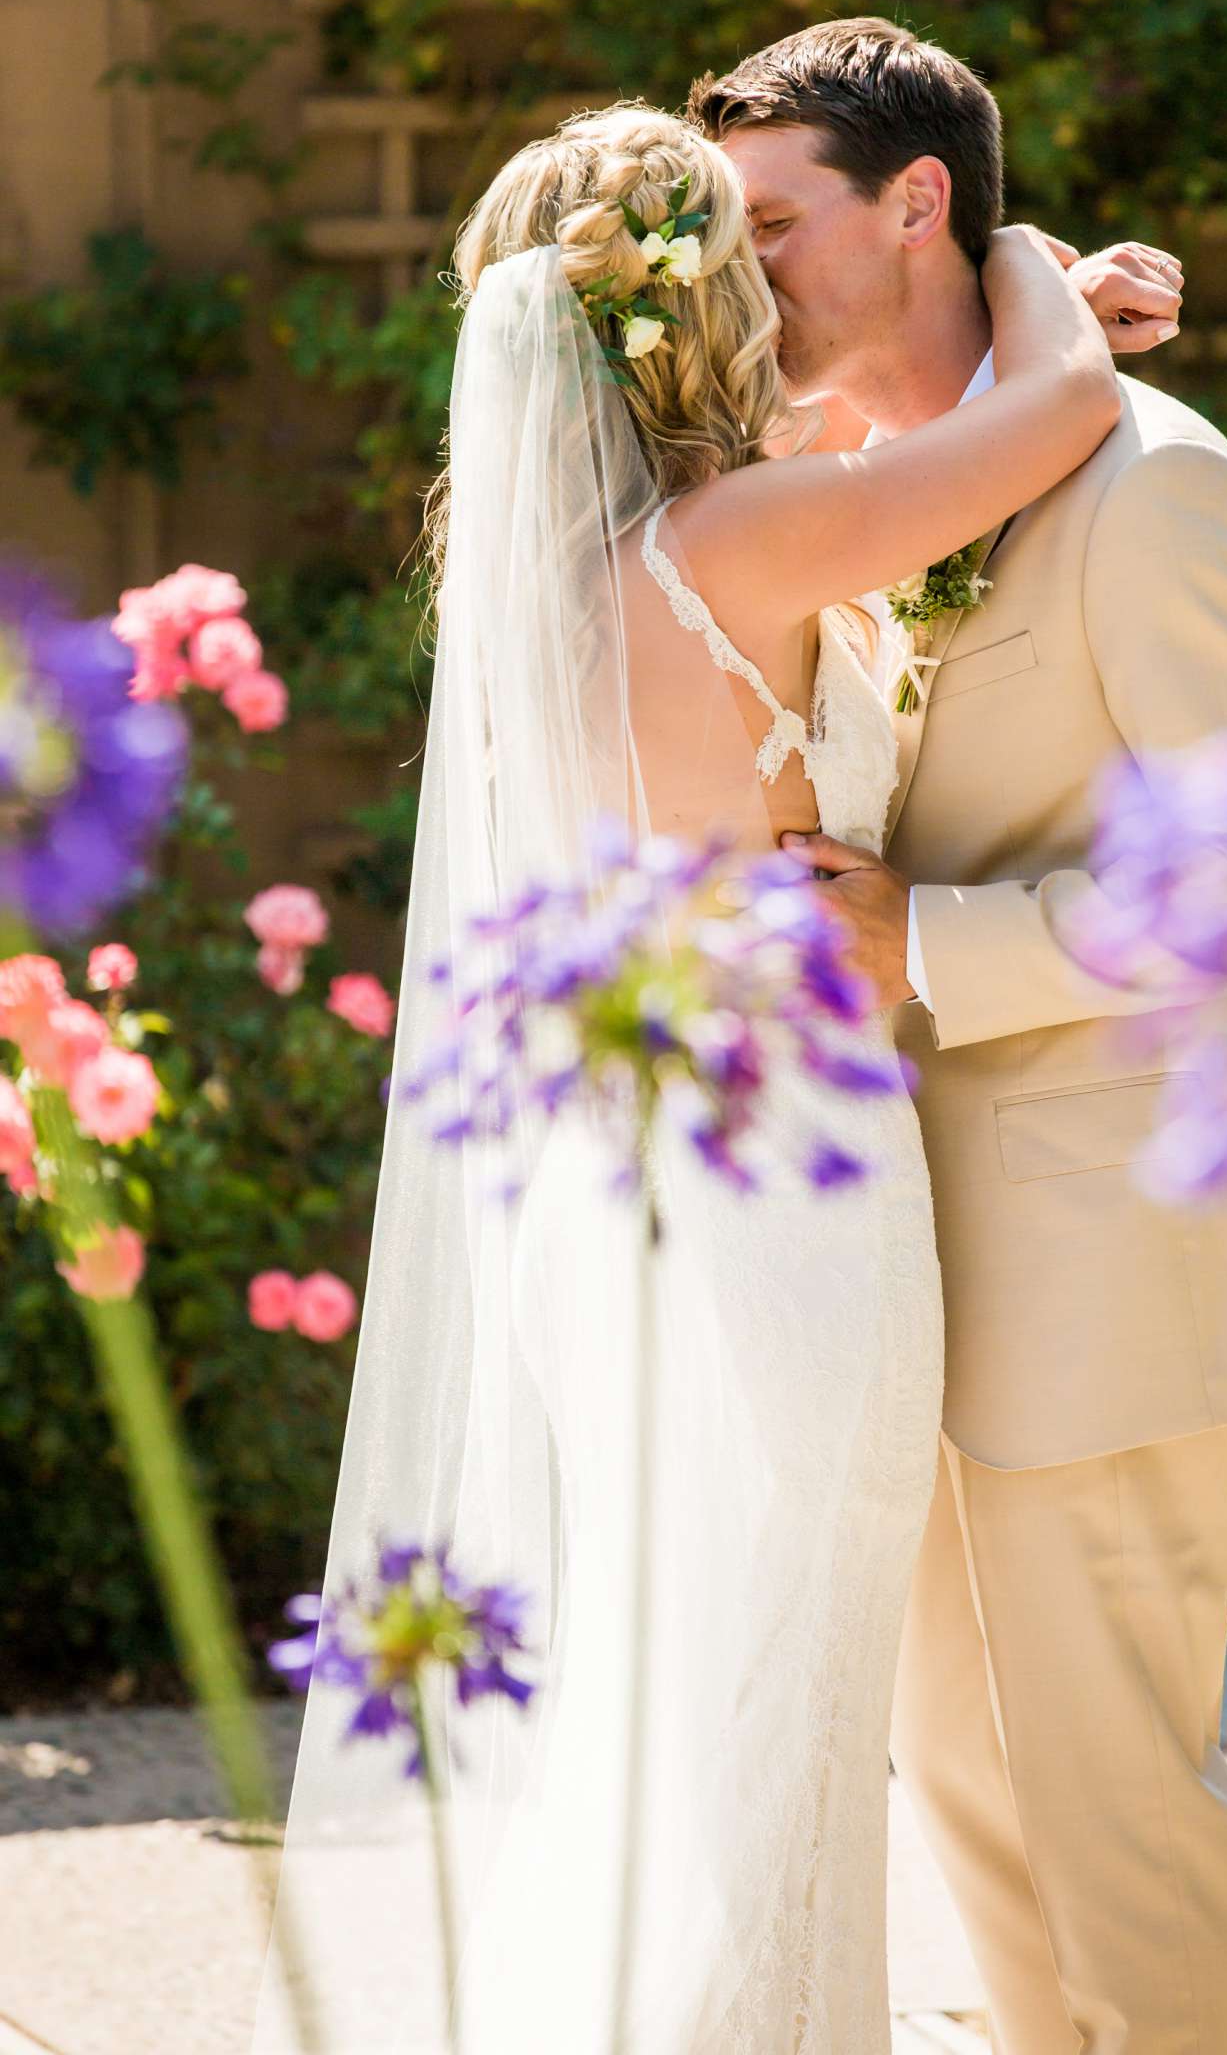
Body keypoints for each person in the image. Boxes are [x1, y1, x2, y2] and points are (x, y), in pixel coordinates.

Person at [253, 99, 1180, 2053]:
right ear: (702, 305)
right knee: (776, 1717)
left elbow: (892, 466)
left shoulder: (580, 582)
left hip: (611, 1204)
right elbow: (1061, 408)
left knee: (674, 1708)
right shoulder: (744, 539)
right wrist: (1024, 266)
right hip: (776, 1207)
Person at [691, 17, 1227, 2055]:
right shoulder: (880, 481)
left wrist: (925, 937)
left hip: (1111, 1251)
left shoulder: (1162, 493)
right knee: (971, 1785)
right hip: (899, 1260)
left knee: (1110, 1803)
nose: (735, 283)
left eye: (769, 227)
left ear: (918, 205)